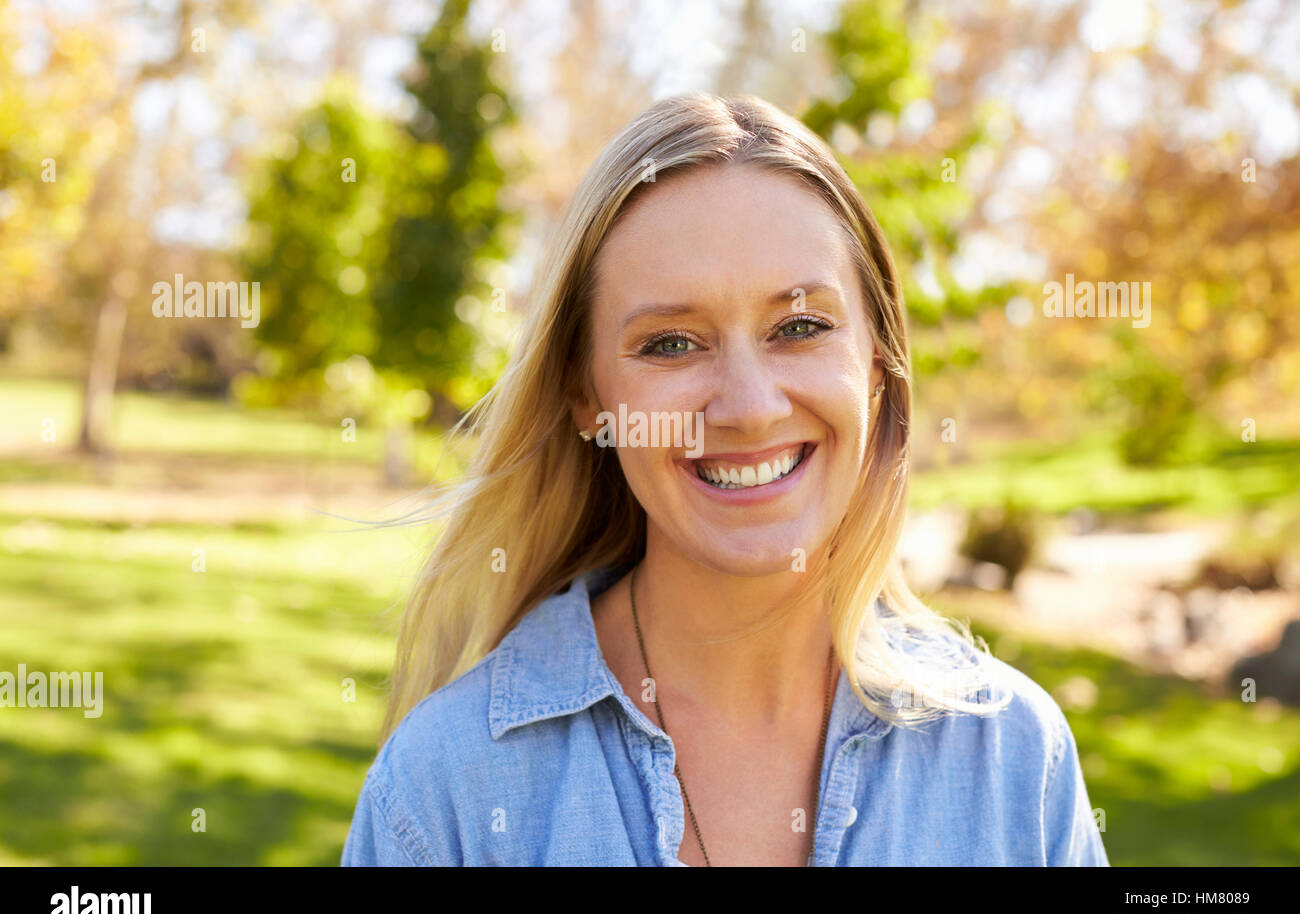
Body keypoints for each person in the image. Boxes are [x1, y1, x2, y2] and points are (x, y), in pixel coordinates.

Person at [341, 92, 1109, 866]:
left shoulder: (1014, 760)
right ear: (586, 395)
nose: (748, 407)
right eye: (672, 343)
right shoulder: (444, 793)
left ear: (876, 363)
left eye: (801, 327)